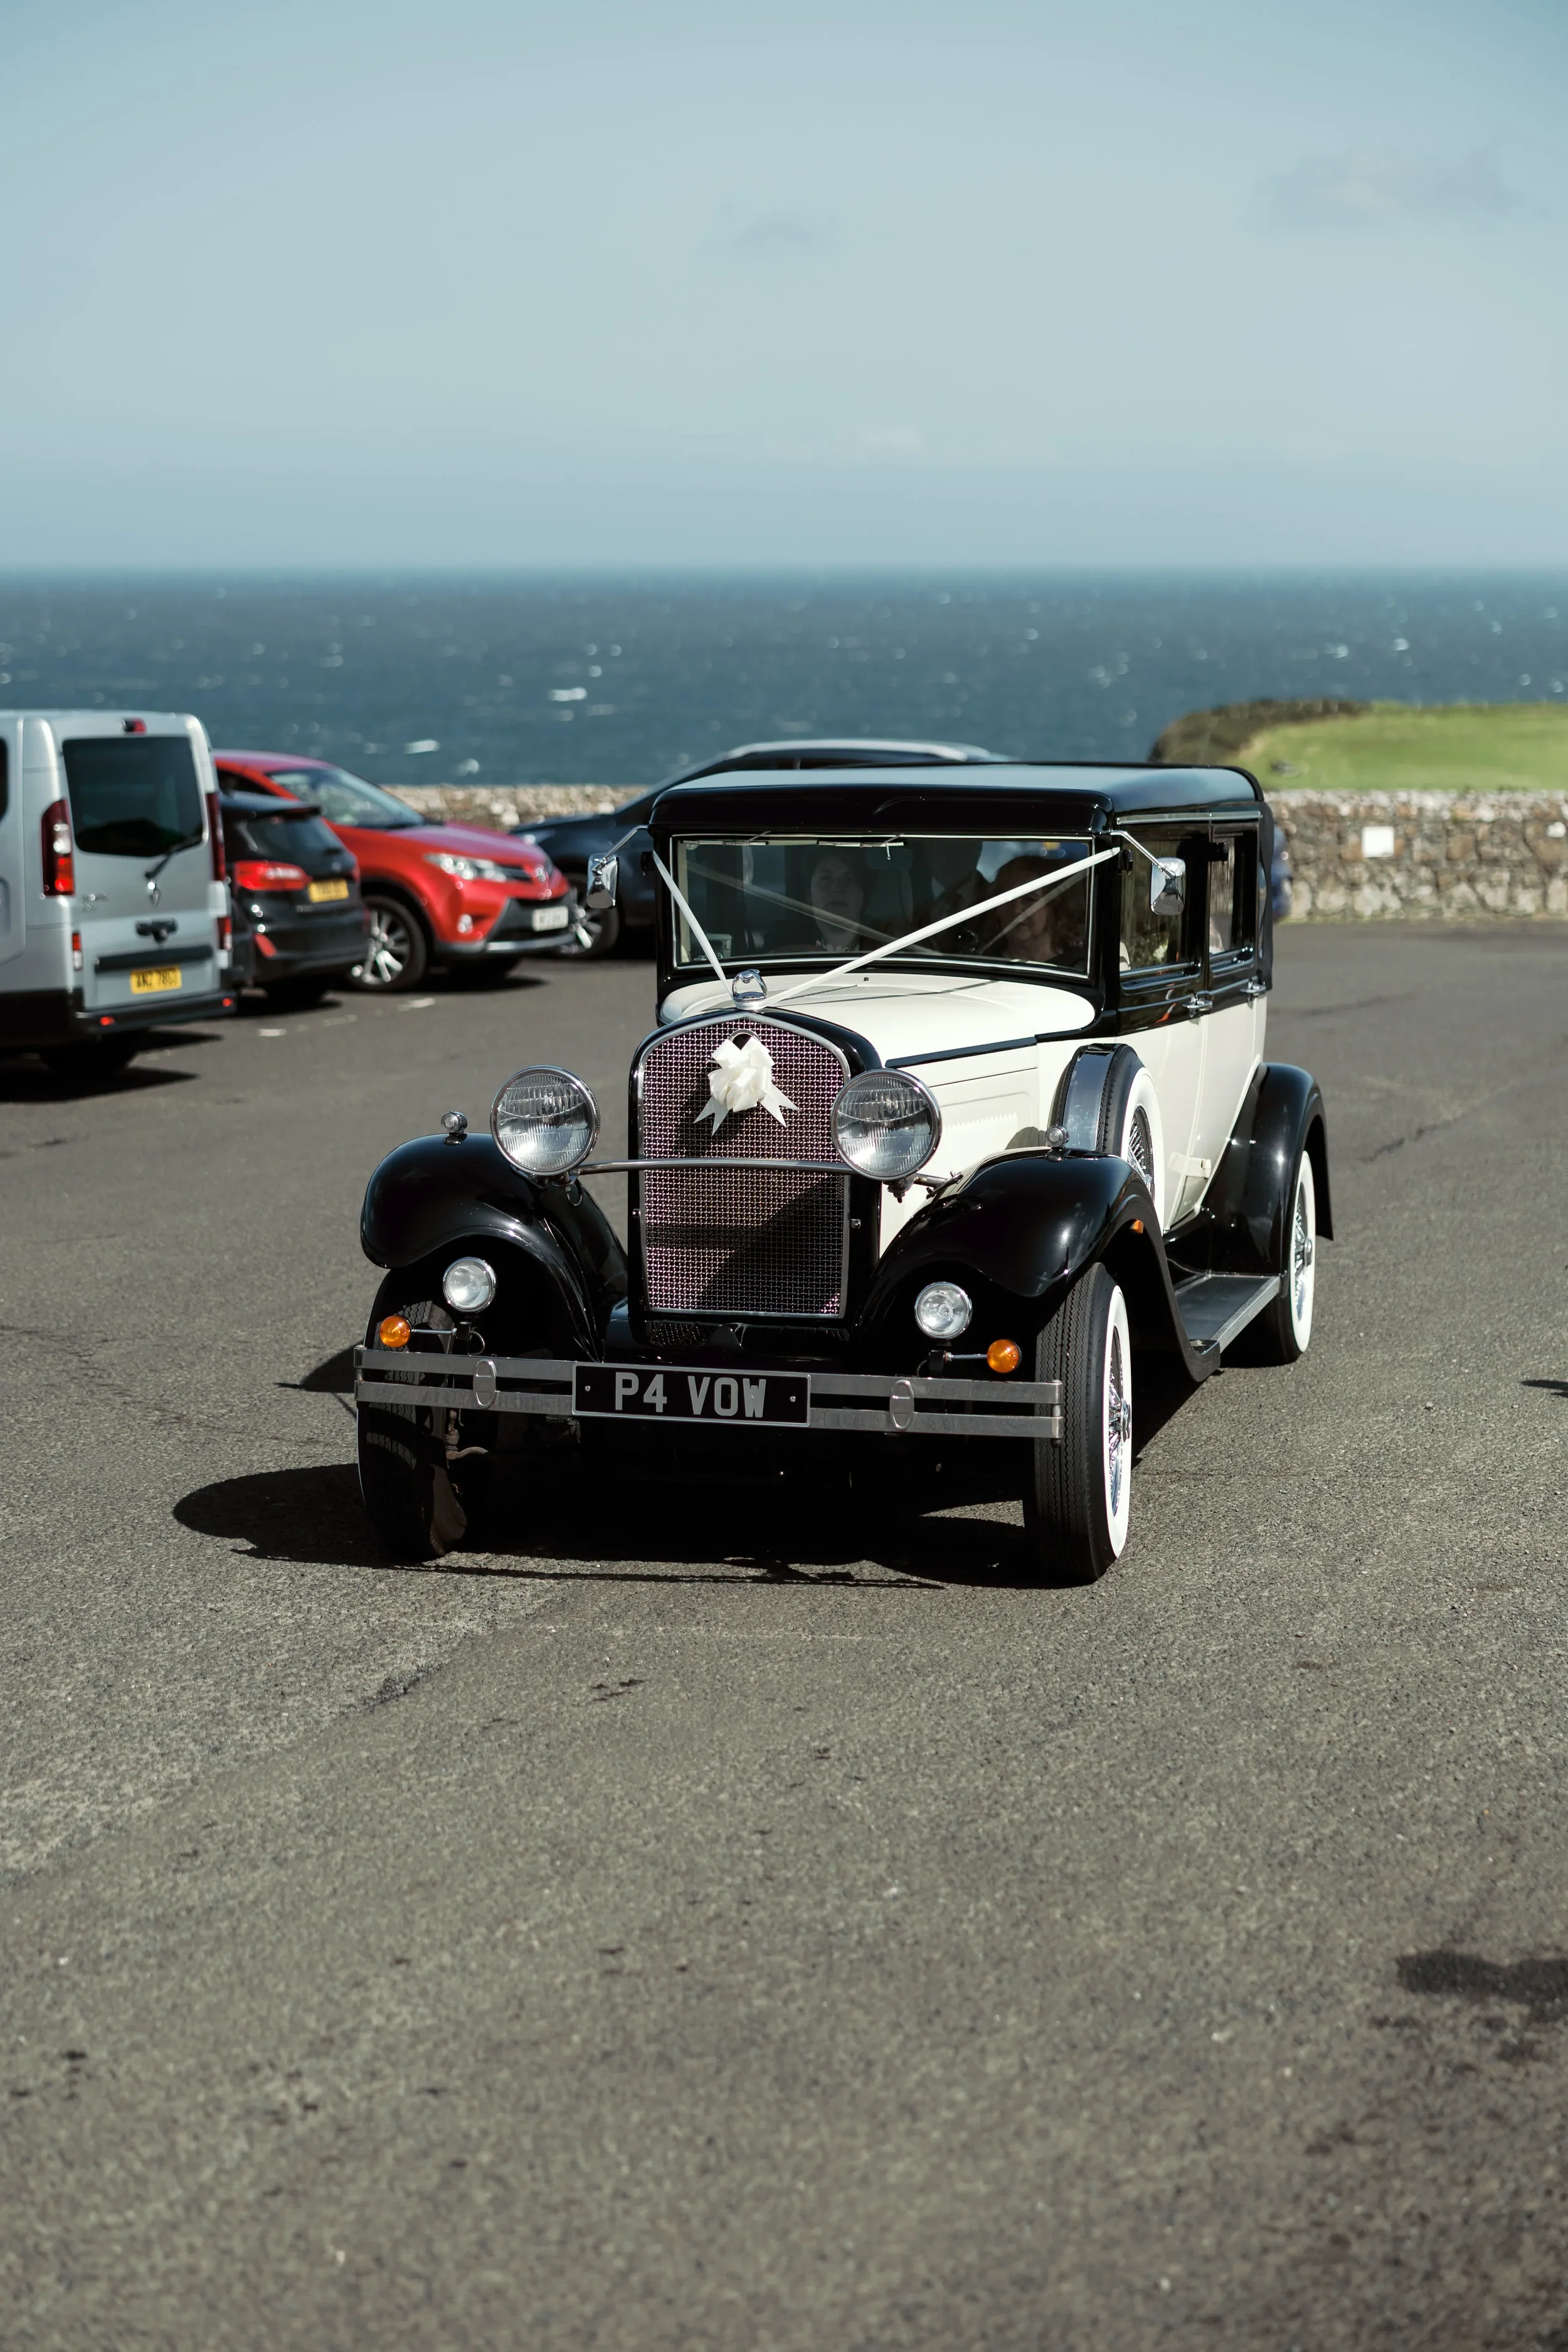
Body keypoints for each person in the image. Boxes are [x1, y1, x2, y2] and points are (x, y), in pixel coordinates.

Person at [985, 855, 1085, 967]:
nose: (1016, 909)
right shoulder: (980, 965)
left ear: (1054, 908)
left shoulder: (1080, 970)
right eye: (1008, 899)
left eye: (1030, 899)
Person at [808, 851, 865, 954]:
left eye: (848, 879)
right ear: (809, 894)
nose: (837, 888)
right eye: (826, 878)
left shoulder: (893, 944)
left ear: (863, 895)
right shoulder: (784, 947)